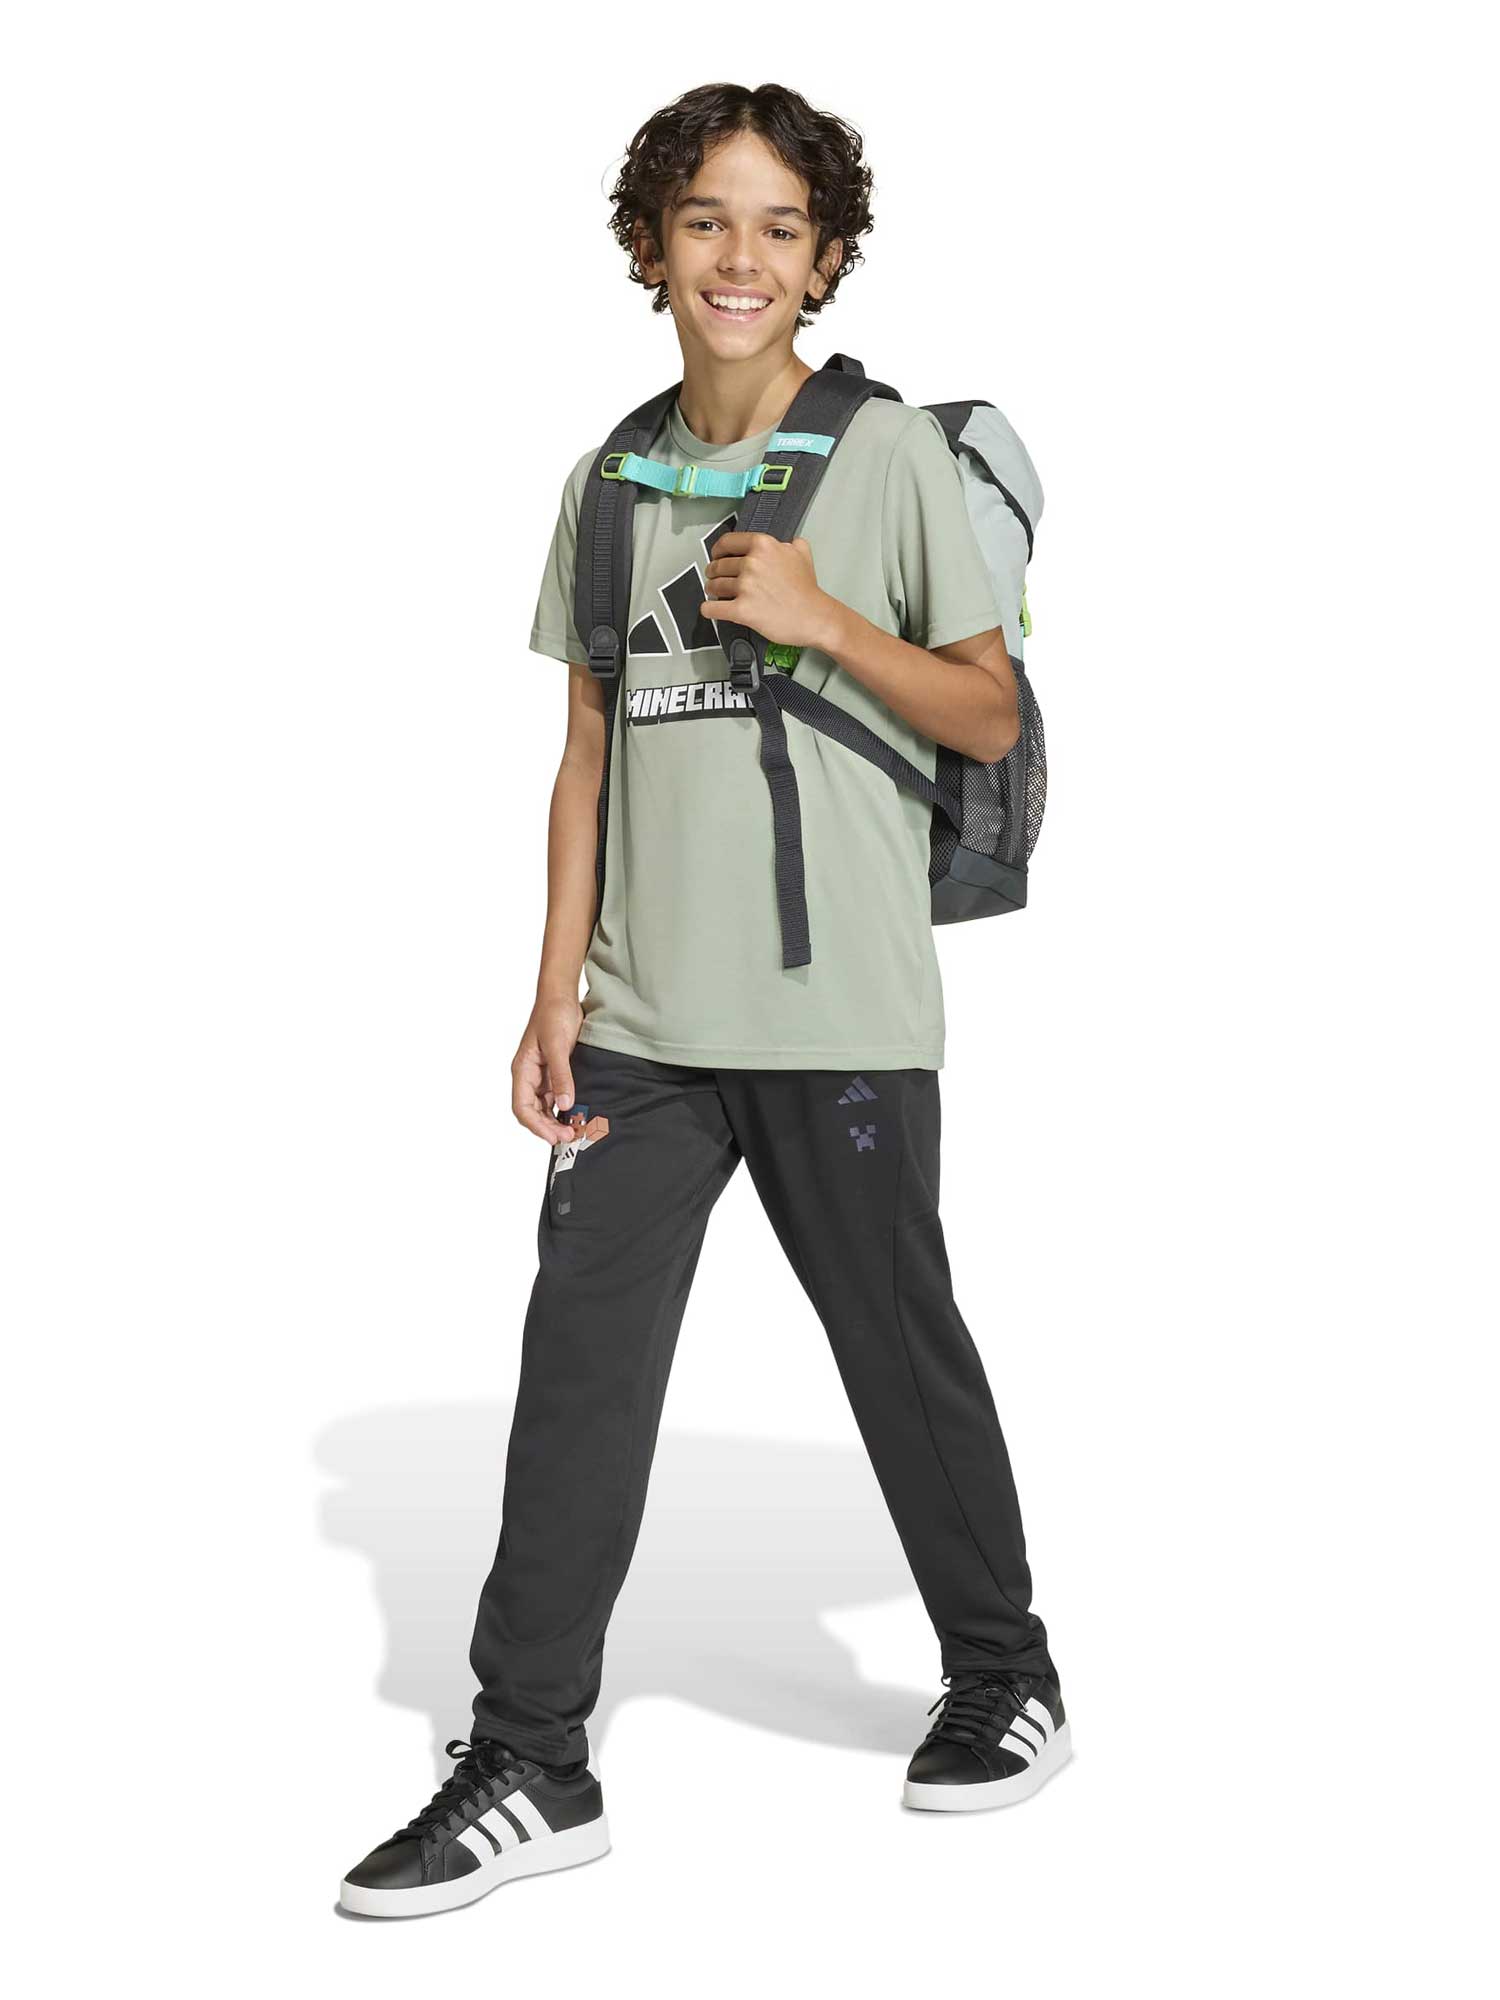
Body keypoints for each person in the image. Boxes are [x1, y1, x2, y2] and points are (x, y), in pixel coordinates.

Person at [340, 79, 1068, 1922]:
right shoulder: (609, 483)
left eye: (778, 227)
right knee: (577, 1378)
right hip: (645, 1027)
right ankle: (530, 1757)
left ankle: (1006, 1674)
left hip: (838, 1020)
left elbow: (986, 707)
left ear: (825, 259)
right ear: (651, 247)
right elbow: (587, 752)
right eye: (705, 221)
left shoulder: (883, 453)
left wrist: (825, 620)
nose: (740, 257)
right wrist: (551, 994)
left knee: (896, 1351)